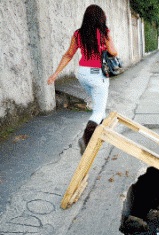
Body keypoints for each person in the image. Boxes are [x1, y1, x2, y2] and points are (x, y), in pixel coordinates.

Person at [47, 4, 118, 154]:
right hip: (98, 74)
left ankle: (98, 136)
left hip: (83, 75)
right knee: (98, 112)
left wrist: (55, 74)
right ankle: (85, 140)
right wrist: (106, 43)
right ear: (100, 18)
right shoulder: (104, 32)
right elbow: (113, 52)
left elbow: (68, 54)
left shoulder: (78, 34)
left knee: (99, 108)